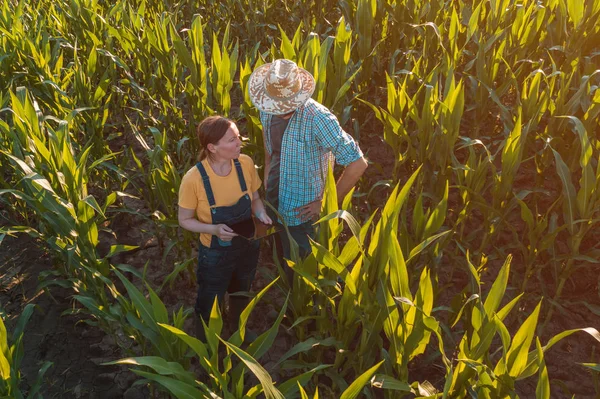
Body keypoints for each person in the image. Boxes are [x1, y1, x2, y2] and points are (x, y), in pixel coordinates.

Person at [248, 59, 368, 285]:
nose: (279, 108)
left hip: (302, 210)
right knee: (281, 249)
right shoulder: (266, 107)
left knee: (302, 270)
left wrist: (324, 204)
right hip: (274, 197)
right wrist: (266, 177)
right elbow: (269, 147)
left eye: (284, 104)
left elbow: (358, 163)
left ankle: (298, 307)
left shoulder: (318, 119)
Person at [178, 116, 272, 340]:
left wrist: (260, 214)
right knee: (210, 297)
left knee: (242, 289)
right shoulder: (194, 179)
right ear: (212, 147)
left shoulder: (246, 163)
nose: (240, 142)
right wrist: (214, 230)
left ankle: (237, 325)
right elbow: (184, 219)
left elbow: (255, 197)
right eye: (232, 140)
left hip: (248, 245)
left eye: (238, 137)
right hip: (215, 252)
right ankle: (207, 340)